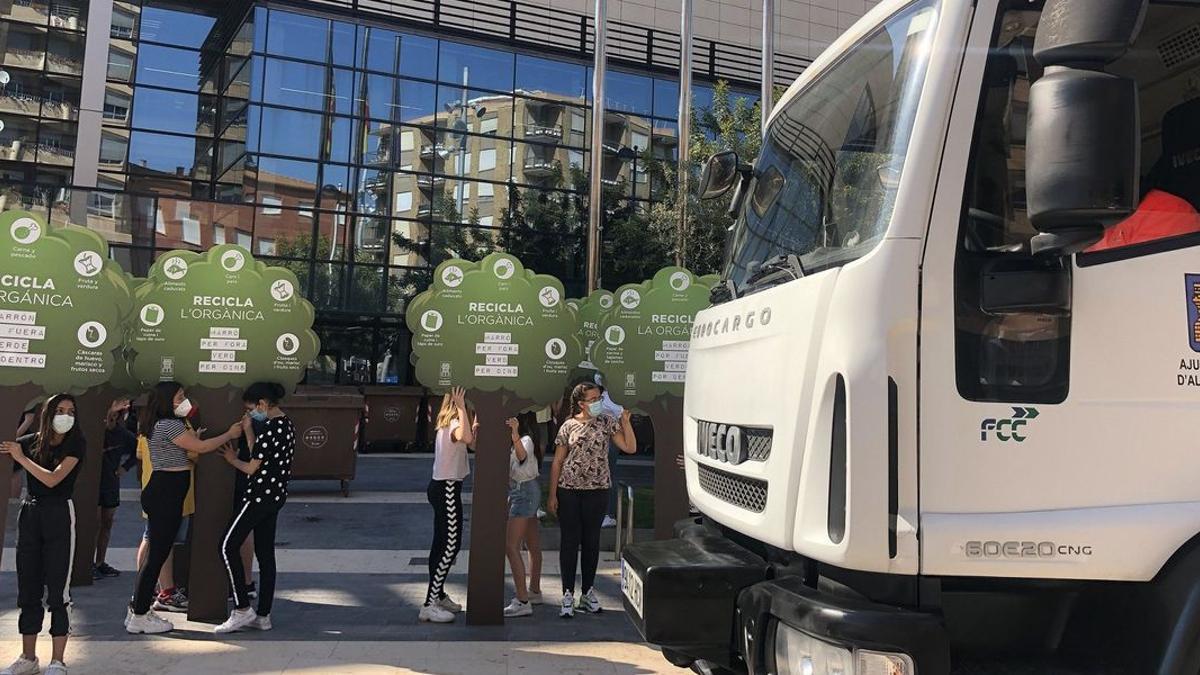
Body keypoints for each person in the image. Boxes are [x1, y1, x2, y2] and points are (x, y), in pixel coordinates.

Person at [126, 382, 242, 635]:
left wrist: (195, 438)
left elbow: (188, 447)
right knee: (157, 555)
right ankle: (140, 614)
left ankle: (137, 609)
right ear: (166, 401)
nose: (183, 401)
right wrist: (229, 435)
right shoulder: (170, 424)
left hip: (165, 490)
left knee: (157, 553)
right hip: (166, 491)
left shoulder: (162, 424)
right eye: (179, 397)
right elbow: (201, 448)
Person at [0, 394, 85, 675]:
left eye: (70, 411)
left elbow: (52, 479)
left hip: (59, 513)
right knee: (28, 587)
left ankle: (58, 661)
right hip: (30, 513)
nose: (65, 416)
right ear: (47, 414)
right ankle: (28, 657)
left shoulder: (76, 442)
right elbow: (10, 448)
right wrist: (17, 446)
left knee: (58, 589)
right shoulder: (30, 442)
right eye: (60, 410)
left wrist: (21, 458)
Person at [549, 382, 636, 618]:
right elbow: (557, 461)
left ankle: (587, 591)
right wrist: (552, 494)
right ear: (581, 403)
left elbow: (629, 447)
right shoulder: (568, 425)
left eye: (599, 398)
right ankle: (567, 593)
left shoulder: (607, 421)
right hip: (569, 489)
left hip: (597, 490)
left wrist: (626, 423)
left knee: (591, 541)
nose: (598, 402)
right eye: (593, 399)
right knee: (570, 542)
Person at [215, 382, 296, 634]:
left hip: (258, 496)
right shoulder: (287, 425)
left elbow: (251, 467)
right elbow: (259, 455)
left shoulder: (270, 428)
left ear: (262, 404)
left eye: (251, 409)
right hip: (275, 496)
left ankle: (241, 608)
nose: (250, 414)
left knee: (226, 546)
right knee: (266, 555)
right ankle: (263, 615)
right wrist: (250, 431)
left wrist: (231, 460)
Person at [418, 386, 477, 623]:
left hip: (442, 487)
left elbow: (471, 443)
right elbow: (467, 438)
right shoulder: (453, 422)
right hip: (447, 488)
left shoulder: (447, 423)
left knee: (440, 544)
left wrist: (473, 417)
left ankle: (439, 595)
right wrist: (462, 407)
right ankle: (429, 604)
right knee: (451, 544)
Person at [503, 412, 544, 618]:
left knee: (510, 546)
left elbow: (521, 456)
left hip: (524, 492)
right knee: (532, 544)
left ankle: (522, 599)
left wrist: (515, 434)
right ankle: (534, 591)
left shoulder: (524, 439)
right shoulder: (530, 438)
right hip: (528, 490)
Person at [95, 397, 138, 580]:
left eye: (115, 416)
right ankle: (87, 564)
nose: (111, 419)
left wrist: (125, 467)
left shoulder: (122, 434)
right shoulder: (96, 430)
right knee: (94, 524)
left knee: (107, 523)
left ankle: (100, 562)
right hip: (93, 484)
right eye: (110, 415)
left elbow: (139, 450)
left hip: (111, 483)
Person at [593, 374, 624, 529]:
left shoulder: (615, 398)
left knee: (608, 474)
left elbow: (620, 415)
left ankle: (609, 514)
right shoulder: (600, 396)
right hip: (596, 438)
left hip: (611, 439)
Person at [10, 400, 41, 500]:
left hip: (18, 440)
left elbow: (29, 420)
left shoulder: (26, 399)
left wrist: (12, 437)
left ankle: (13, 501)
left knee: (15, 470)